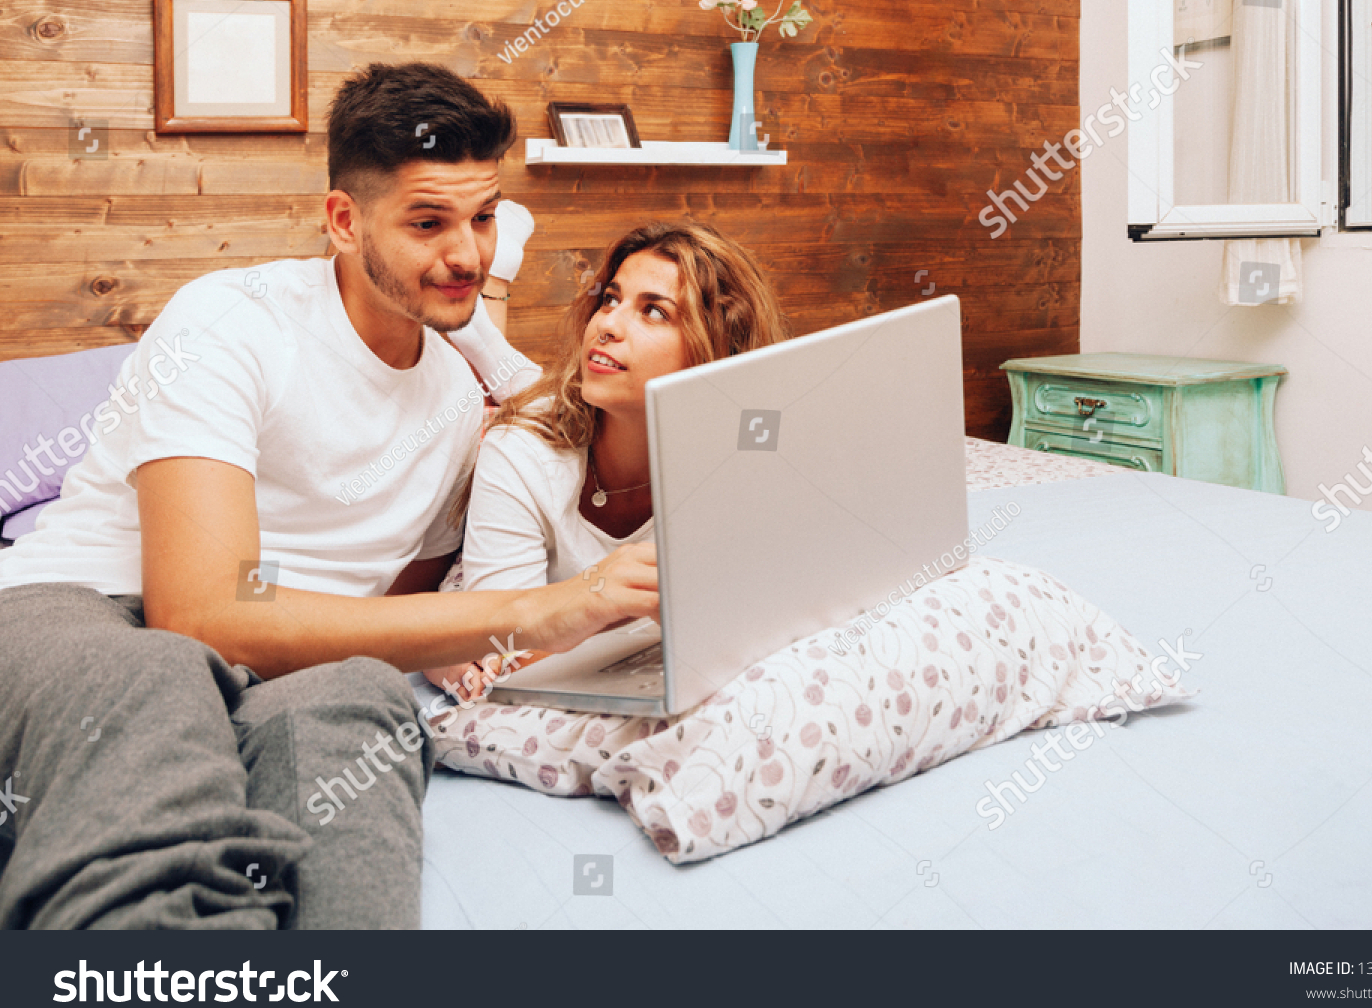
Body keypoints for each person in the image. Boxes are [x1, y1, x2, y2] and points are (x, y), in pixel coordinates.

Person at [0, 62, 655, 929]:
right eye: (429, 222)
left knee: (365, 705)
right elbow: (199, 614)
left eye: (485, 217)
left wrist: (492, 648)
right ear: (345, 222)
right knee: (159, 676)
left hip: (286, 661)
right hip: (92, 608)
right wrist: (541, 608)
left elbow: (399, 609)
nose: (468, 254)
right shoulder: (231, 322)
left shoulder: (460, 404)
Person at [423, 221, 789, 698]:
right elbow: (507, 651)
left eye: (653, 311)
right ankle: (487, 330)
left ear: (717, 350)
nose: (607, 324)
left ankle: (489, 336)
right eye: (610, 299)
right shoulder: (520, 448)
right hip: (484, 568)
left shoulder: (745, 462)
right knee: (528, 406)